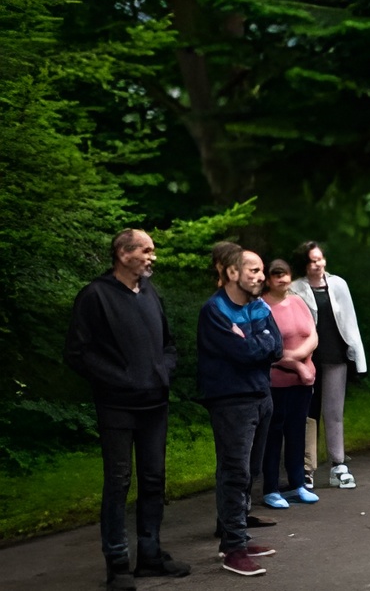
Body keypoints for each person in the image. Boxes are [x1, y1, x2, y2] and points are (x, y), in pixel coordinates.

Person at [65, 229, 191, 589]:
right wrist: (121, 379)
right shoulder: (96, 296)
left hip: (155, 404)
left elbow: (168, 344)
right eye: (146, 250)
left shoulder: (151, 293)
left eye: (152, 251)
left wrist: (162, 372)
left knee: (153, 480)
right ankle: (117, 563)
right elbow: (78, 353)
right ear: (123, 254)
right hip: (117, 406)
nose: (152, 257)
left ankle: (150, 554)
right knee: (118, 483)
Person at [197, 248, 283, 576]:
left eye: (262, 270)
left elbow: (275, 346)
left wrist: (253, 340)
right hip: (232, 402)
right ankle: (233, 549)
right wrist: (254, 343)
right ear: (233, 273)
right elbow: (242, 352)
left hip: (262, 397)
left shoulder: (259, 304)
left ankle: (238, 536)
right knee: (235, 473)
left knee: (252, 470)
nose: (261, 277)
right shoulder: (215, 310)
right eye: (253, 271)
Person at [290, 241, 366, 489]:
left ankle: (338, 464)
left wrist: (357, 353)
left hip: (336, 356)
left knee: (333, 411)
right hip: (308, 358)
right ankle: (307, 468)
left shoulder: (338, 284)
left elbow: (350, 321)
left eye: (320, 259)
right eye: (312, 260)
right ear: (304, 263)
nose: (317, 264)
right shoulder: (295, 289)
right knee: (308, 413)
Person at [261, 260, 319, 509]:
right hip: (277, 381)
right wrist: (297, 364)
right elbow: (267, 349)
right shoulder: (261, 307)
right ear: (267, 279)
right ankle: (271, 489)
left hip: (303, 382)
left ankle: (298, 484)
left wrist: (302, 361)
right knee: (273, 435)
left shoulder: (297, 301)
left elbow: (313, 334)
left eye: (285, 274)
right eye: (276, 275)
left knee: (297, 433)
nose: (281, 279)